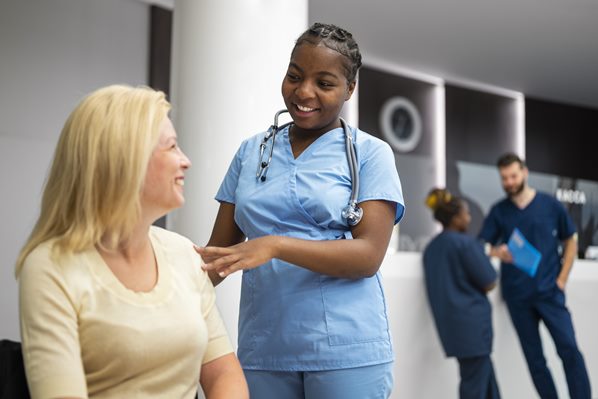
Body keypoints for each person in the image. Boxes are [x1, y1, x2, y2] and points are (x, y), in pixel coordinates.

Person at [195, 23, 404, 398]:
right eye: (294, 76)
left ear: (349, 89)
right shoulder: (250, 152)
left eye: (324, 83)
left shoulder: (371, 154)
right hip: (265, 349)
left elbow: (368, 255)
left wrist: (275, 245)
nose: (304, 92)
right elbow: (218, 256)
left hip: (345, 349)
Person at [15, 85, 249, 399]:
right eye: (171, 147)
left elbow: (223, 373)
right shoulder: (50, 267)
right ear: (125, 160)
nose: (186, 161)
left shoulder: (184, 254)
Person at [478, 153, 591, 399]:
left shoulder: (550, 205)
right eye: (504, 178)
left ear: (525, 173)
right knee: (535, 361)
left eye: (513, 176)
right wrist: (497, 251)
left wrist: (562, 279)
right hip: (518, 298)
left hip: (550, 292)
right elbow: (482, 245)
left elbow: (570, 240)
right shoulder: (499, 212)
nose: (509, 182)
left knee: (569, 349)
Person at [423, 188, 500, 399]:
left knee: (487, 385)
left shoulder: (432, 248)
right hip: (473, 329)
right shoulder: (465, 244)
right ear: (456, 218)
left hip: (453, 329)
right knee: (474, 388)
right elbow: (489, 280)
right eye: (466, 213)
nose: (469, 217)